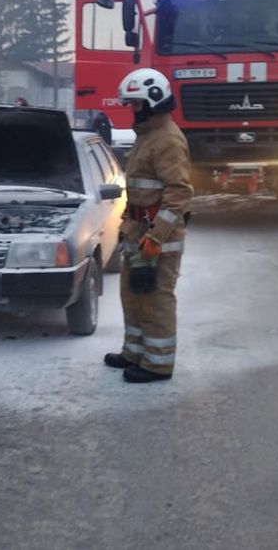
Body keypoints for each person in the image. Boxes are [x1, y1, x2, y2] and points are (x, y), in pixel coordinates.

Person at [103, 68, 193, 383]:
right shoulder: (148, 136)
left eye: (136, 104)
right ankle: (135, 353)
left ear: (153, 101)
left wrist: (156, 237)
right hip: (139, 232)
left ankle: (157, 364)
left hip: (159, 237)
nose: (132, 110)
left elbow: (179, 193)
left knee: (156, 297)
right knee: (133, 292)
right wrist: (129, 224)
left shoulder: (167, 140)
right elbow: (141, 188)